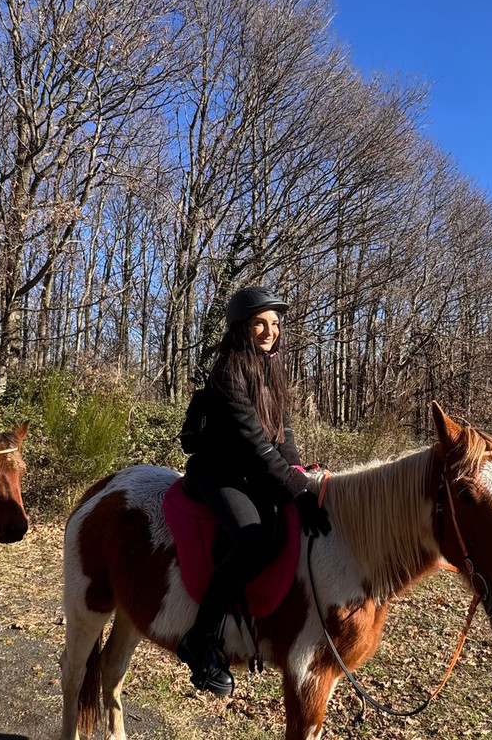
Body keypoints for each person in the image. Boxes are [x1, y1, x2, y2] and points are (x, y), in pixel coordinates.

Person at [176, 286, 331, 697]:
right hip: (219, 472)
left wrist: (299, 472)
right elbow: (255, 444)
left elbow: (282, 433)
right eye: (260, 322)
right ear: (241, 327)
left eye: (275, 324)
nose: (269, 331)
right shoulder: (228, 370)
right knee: (252, 540)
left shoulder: (269, 365)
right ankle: (200, 639)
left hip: (250, 470)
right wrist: (295, 489)